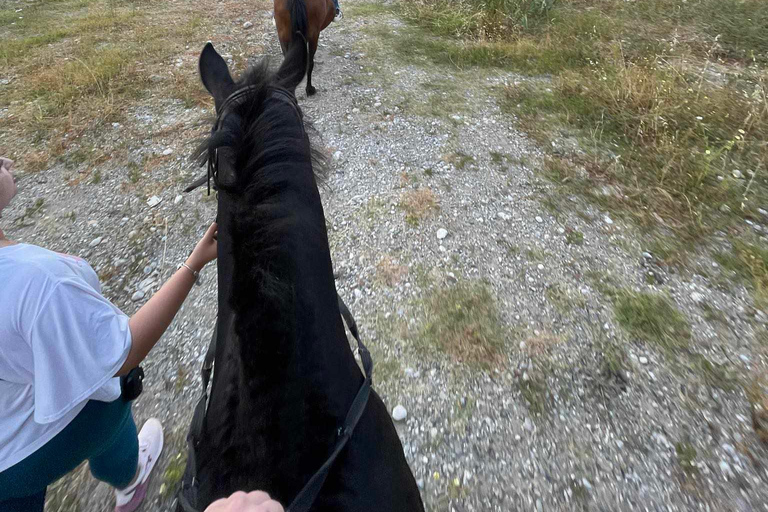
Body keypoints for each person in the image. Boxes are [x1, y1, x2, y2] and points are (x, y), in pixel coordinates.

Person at [0, 156, 218, 512]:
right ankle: (129, 481)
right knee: (113, 398)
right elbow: (122, 354)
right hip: (22, 452)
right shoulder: (38, 284)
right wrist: (194, 264)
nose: (7, 159)